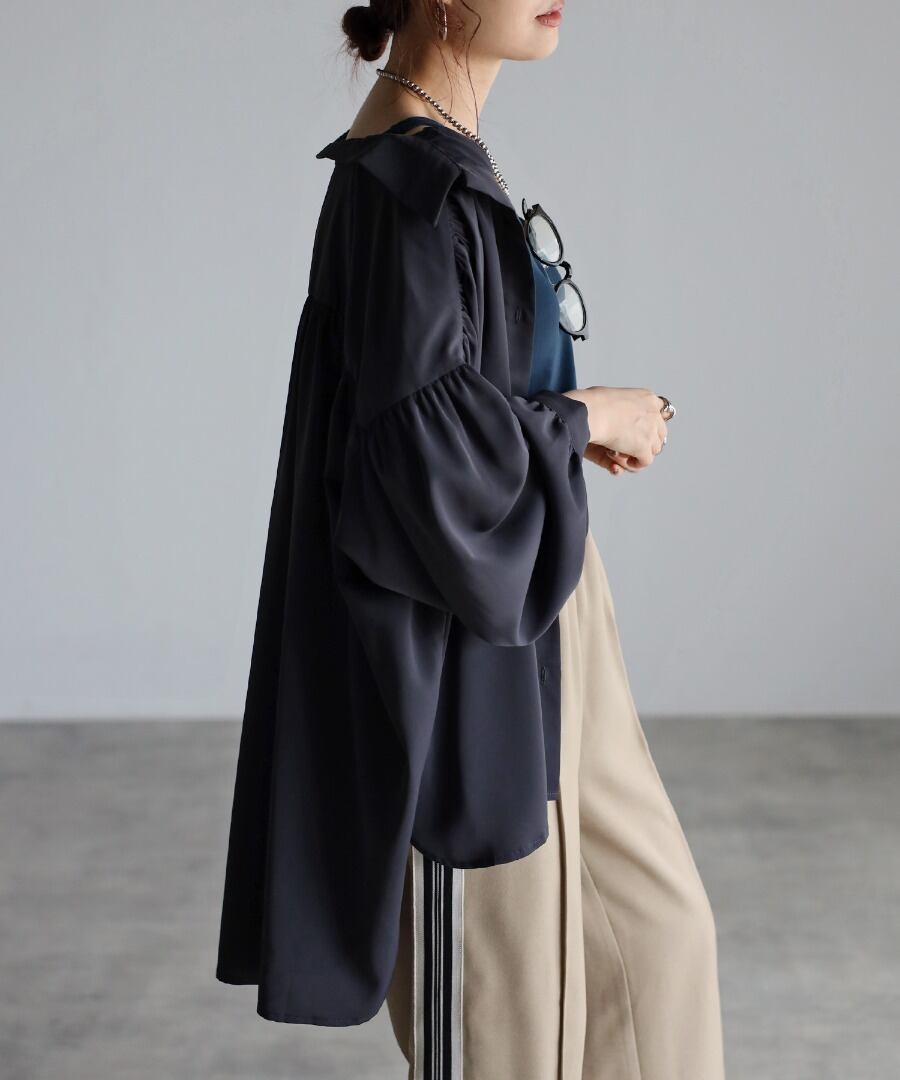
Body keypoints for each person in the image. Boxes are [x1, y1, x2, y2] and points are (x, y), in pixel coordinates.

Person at [216, 2, 727, 1077]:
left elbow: (442, 399)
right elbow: (418, 450)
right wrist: (583, 418)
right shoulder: (410, 187)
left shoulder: (444, 162)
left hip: (544, 591)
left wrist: (562, 428)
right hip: (463, 628)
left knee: (657, 943)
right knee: (506, 1007)